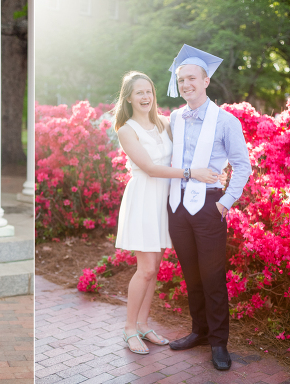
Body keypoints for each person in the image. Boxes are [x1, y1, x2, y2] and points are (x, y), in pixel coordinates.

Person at [113, 71, 222, 355]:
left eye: (148, 91)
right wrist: (191, 172)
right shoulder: (126, 129)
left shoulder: (164, 122)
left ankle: (143, 324)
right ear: (128, 97)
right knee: (146, 268)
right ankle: (128, 329)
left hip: (165, 200)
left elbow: (190, 143)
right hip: (143, 199)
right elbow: (149, 168)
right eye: (139, 93)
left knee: (155, 269)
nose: (145, 97)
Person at [164, 44, 250, 371]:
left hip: (209, 205)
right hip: (178, 206)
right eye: (181, 79)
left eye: (192, 79)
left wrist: (225, 203)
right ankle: (198, 331)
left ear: (205, 81)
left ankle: (218, 342)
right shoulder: (175, 117)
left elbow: (242, 166)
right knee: (192, 275)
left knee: (213, 277)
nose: (186, 84)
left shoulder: (226, 121)